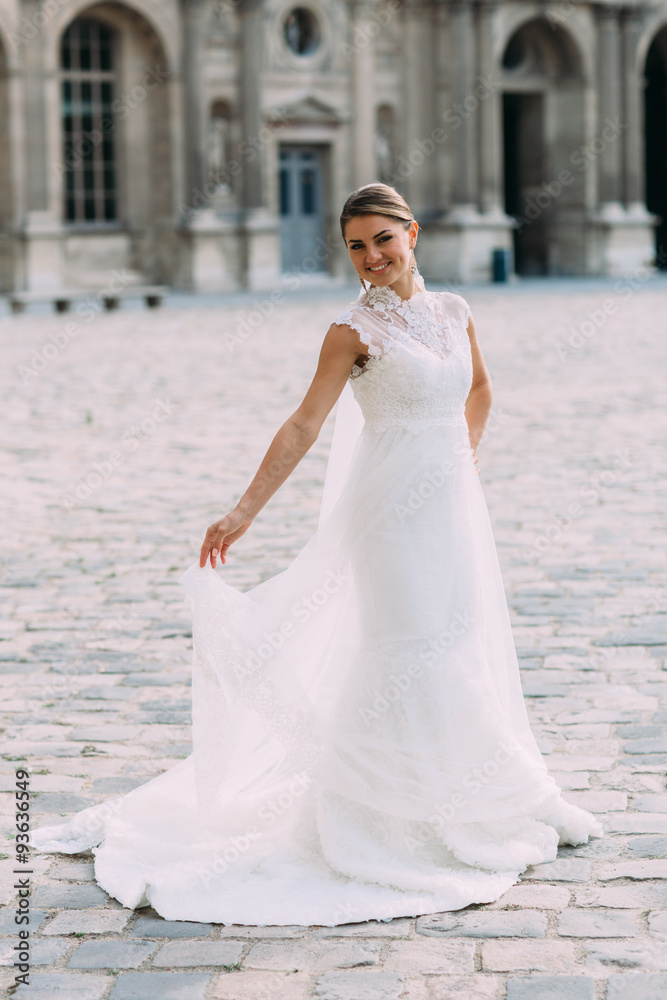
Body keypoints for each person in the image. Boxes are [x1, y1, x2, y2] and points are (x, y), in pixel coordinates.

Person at [32, 183, 603, 926]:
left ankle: (476, 794)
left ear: (412, 234)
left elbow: (482, 391)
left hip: (451, 511)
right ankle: (385, 816)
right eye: (356, 247)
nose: (370, 258)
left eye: (381, 241)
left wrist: (458, 467)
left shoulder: (455, 312)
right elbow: (303, 425)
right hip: (388, 520)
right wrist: (242, 511)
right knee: (408, 650)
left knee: (457, 641)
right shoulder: (350, 330)